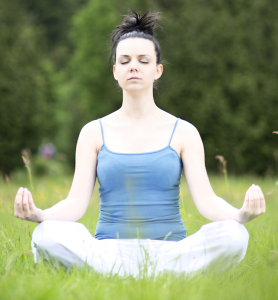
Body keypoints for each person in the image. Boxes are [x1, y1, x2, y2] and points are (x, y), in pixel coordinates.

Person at [14, 10, 265, 278]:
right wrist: (40, 214)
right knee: (46, 233)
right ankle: (137, 274)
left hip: (171, 252)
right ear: (115, 71)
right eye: (125, 61)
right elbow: (75, 204)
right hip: (108, 253)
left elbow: (206, 201)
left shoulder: (184, 132)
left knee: (234, 234)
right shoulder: (92, 132)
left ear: (157, 70)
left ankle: (145, 274)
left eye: (143, 60)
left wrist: (241, 215)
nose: (133, 66)